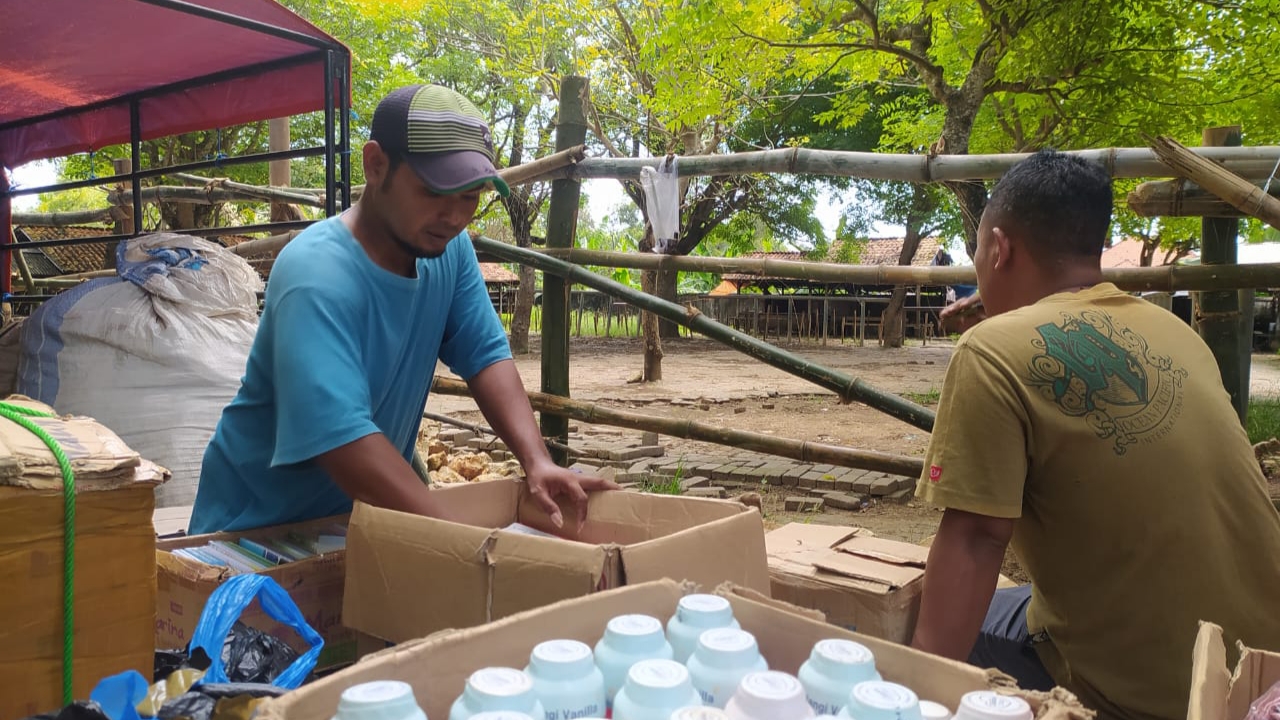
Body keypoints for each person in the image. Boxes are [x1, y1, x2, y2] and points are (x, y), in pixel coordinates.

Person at [911, 149, 1280, 720]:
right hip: (1261, 673)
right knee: (1018, 601)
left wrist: (910, 695)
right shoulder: (1174, 333)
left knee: (917, 616)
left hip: (1160, 698)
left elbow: (978, 539)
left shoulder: (990, 353)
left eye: (979, 253)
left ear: (999, 248)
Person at [189, 84, 616, 535]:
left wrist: (536, 461)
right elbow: (342, 441)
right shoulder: (315, 275)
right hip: (251, 533)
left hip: (348, 524)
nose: (453, 217)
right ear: (376, 165)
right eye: (434, 192)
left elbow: (487, 356)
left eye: (469, 197)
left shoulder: (448, 252)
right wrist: (460, 537)